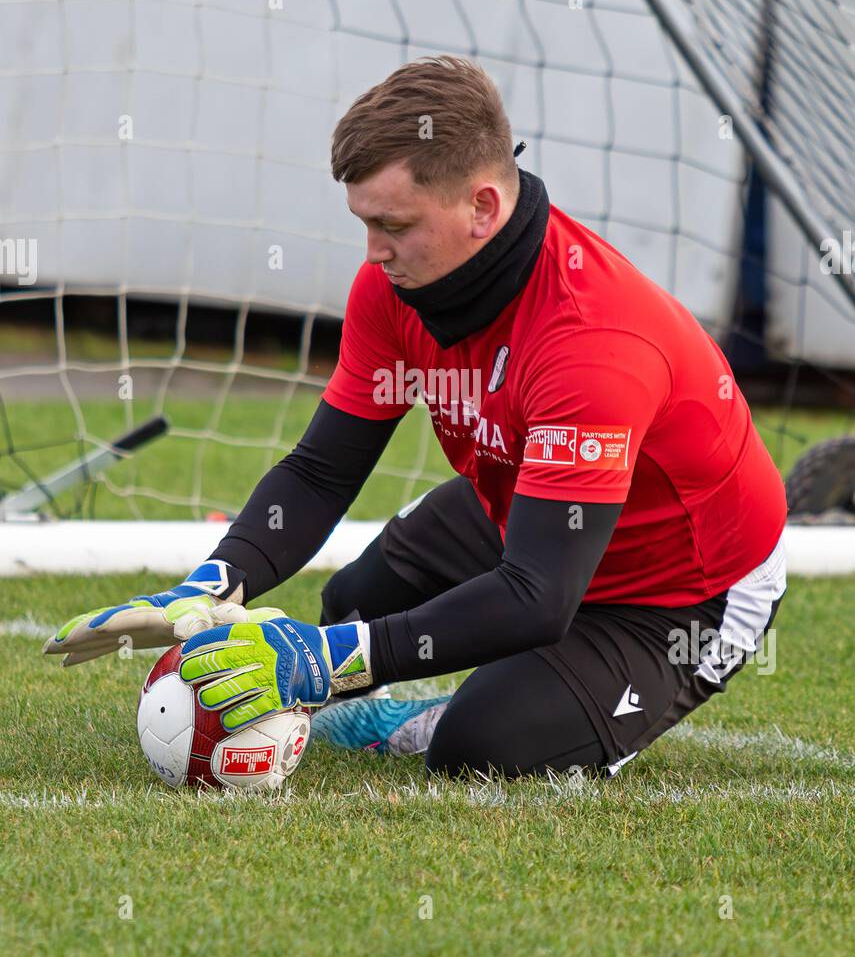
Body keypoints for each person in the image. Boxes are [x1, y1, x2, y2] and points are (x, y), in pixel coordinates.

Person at [45, 56, 787, 779]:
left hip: (684, 590)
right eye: (364, 223)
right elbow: (321, 469)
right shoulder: (393, 284)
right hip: (533, 502)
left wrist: (324, 661)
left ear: (482, 208)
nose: (373, 253)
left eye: (393, 224)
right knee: (354, 601)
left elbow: (538, 596)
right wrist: (212, 580)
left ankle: (439, 714)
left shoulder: (594, 343)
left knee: (482, 746)